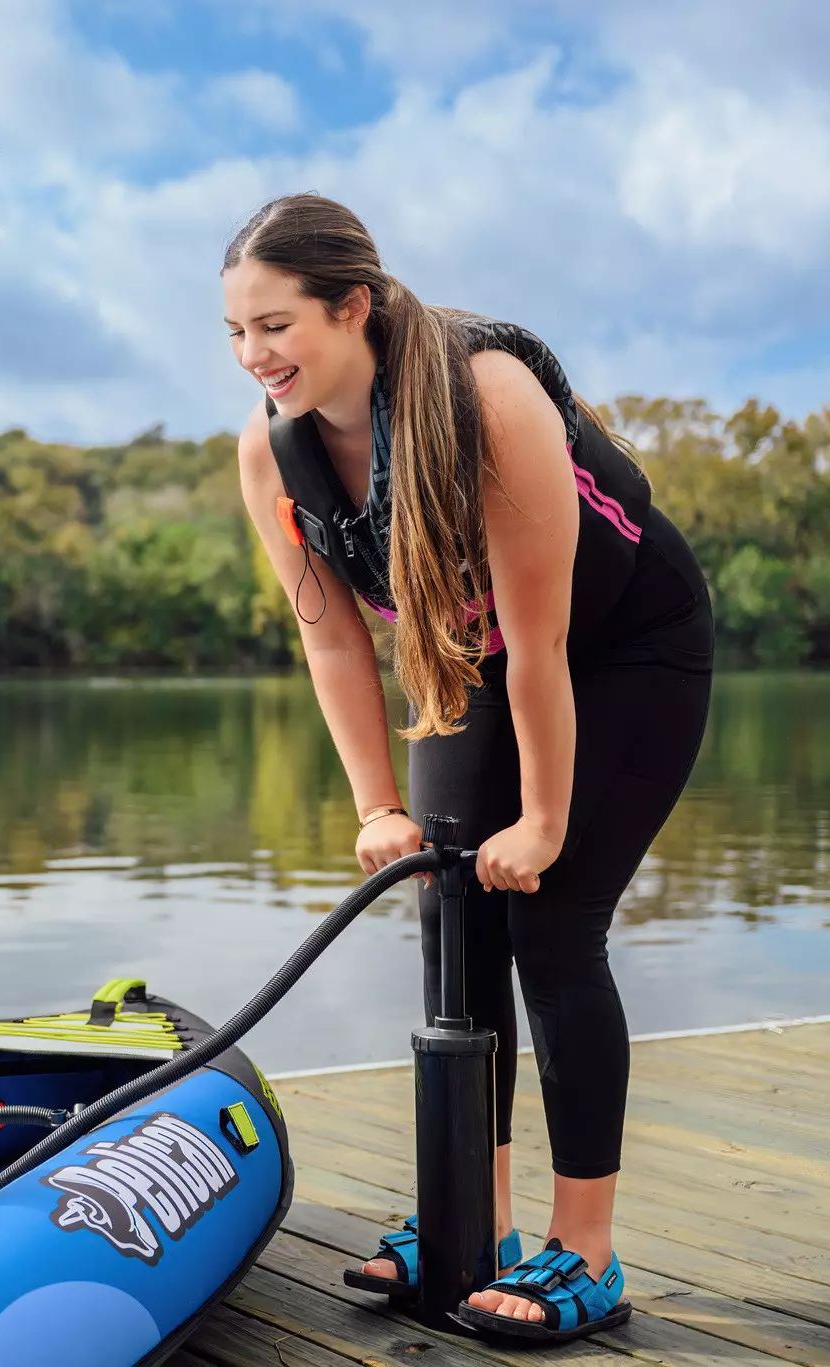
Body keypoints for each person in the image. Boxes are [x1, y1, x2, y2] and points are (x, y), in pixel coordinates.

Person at [225, 195, 712, 1342]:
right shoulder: (270, 449)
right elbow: (333, 634)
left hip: (625, 648)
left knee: (548, 921)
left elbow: (541, 641)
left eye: (276, 324)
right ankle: (469, 1222)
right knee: (454, 918)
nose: (255, 357)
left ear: (353, 305)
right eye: (236, 333)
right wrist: (374, 805)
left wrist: (543, 819)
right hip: (473, 654)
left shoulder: (487, 399)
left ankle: (583, 1253)